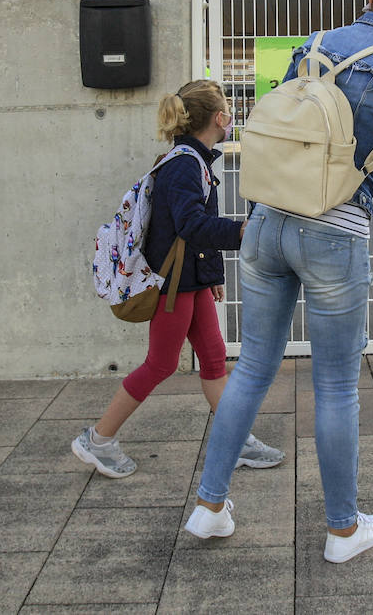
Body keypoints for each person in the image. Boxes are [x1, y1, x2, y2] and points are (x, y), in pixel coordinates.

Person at [184, 0, 373, 561]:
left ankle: (210, 505)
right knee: (334, 387)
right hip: (335, 231)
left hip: (267, 223)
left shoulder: (315, 44)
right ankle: (343, 530)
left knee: (250, 370)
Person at [72, 80, 285, 478]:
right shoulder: (186, 164)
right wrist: (242, 232)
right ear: (220, 118)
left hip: (190, 281)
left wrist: (212, 274)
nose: (232, 117)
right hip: (173, 287)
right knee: (160, 364)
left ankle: (235, 440)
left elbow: (185, 231)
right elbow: (191, 225)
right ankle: (97, 440)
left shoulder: (194, 160)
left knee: (214, 361)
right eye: (229, 111)